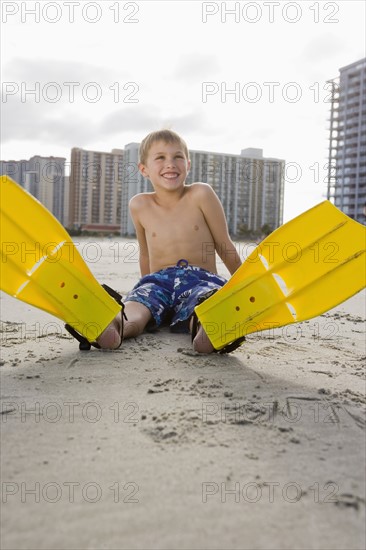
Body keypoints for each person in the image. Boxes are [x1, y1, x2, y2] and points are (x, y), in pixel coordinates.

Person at [97, 129, 242, 352]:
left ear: (188, 164)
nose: (170, 164)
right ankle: (118, 327)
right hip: (158, 281)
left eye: (177, 157)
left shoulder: (201, 194)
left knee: (205, 304)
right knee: (138, 305)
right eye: (160, 158)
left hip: (200, 279)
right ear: (144, 169)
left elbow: (224, 244)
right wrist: (145, 285)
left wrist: (245, 286)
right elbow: (145, 253)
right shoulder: (139, 205)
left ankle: (208, 330)